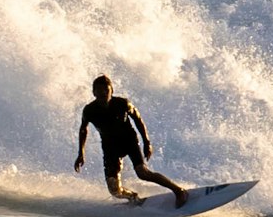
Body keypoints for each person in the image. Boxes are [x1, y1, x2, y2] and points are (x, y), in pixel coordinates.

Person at [73, 73, 189, 206]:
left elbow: (138, 120)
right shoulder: (89, 110)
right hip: (110, 147)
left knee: (143, 173)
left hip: (129, 141)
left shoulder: (123, 104)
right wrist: (81, 153)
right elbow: (83, 129)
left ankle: (179, 191)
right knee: (115, 190)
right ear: (94, 93)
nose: (103, 94)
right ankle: (133, 198)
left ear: (112, 91)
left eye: (106, 90)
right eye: (99, 91)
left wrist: (147, 142)